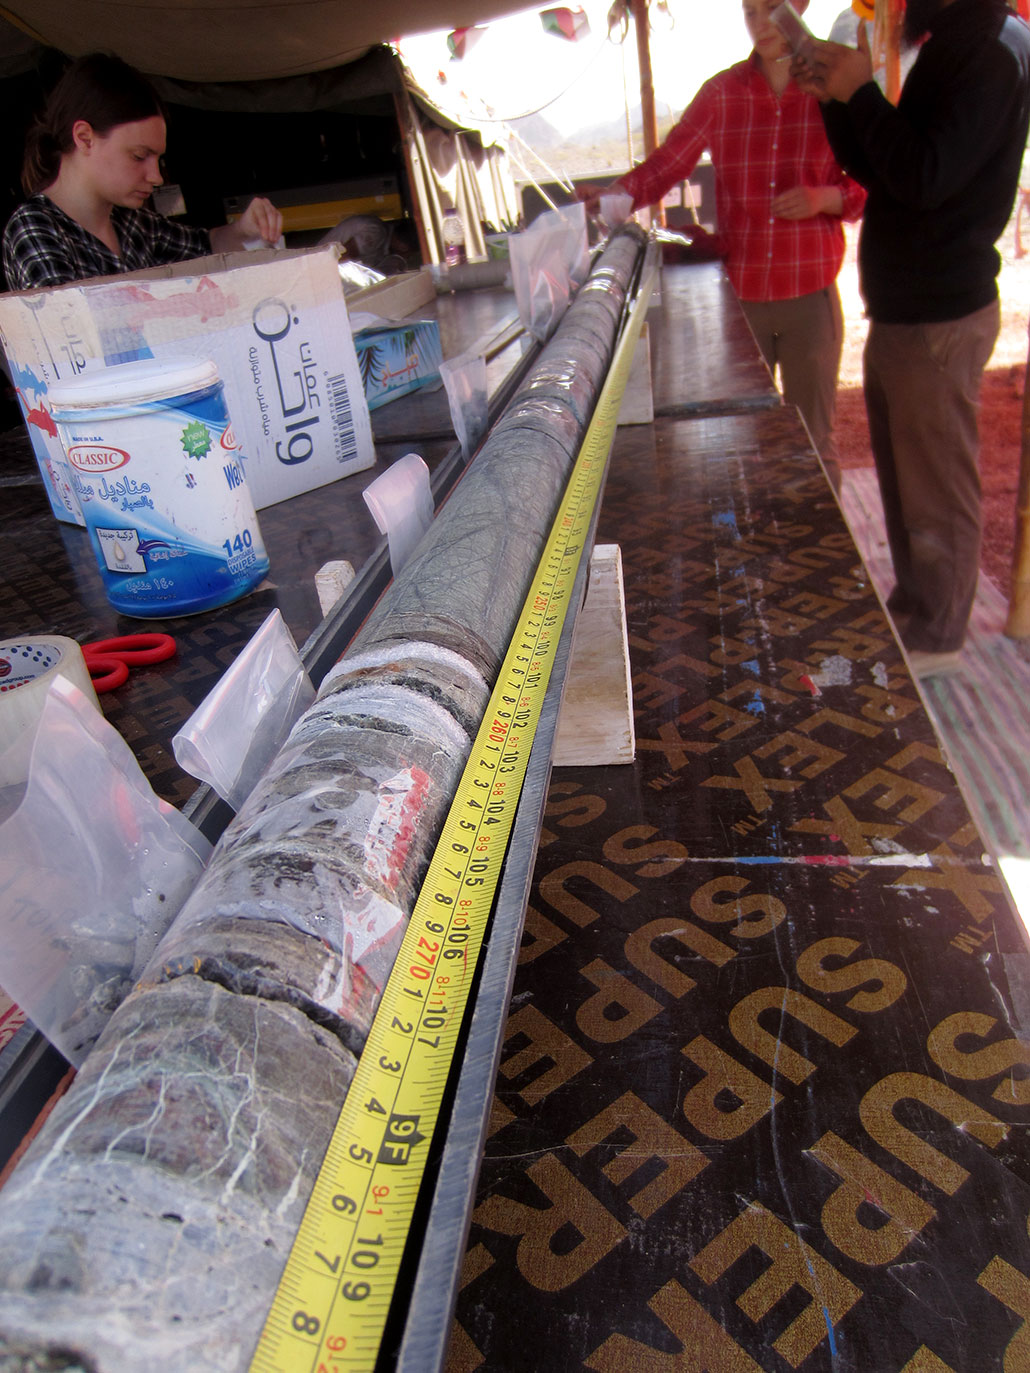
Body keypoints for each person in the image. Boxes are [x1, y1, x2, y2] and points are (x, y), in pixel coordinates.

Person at [793, 0, 1030, 676]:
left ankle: (939, 631)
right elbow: (891, 167)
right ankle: (919, 607)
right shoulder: (960, 40)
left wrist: (860, 92)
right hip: (910, 309)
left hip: (939, 312)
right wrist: (838, 103)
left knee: (936, 485)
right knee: (908, 483)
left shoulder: (990, 50)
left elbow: (926, 177)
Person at [587, 0, 865, 481]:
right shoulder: (722, 94)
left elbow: (871, 179)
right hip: (744, 303)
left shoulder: (833, 86)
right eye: (750, 11)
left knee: (812, 446)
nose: (761, 23)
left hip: (810, 300)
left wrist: (825, 197)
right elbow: (666, 165)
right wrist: (612, 199)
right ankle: (766, 551)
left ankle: (823, 553)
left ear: (798, 6)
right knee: (744, 444)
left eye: (772, 8)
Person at [2, 52, 283, 292]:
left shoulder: (133, 223)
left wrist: (244, 229)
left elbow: (206, 246)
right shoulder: (35, 229)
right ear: (85, 138)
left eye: (158, 159)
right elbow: (74, 336)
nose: (156, 177)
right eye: (139, 156)